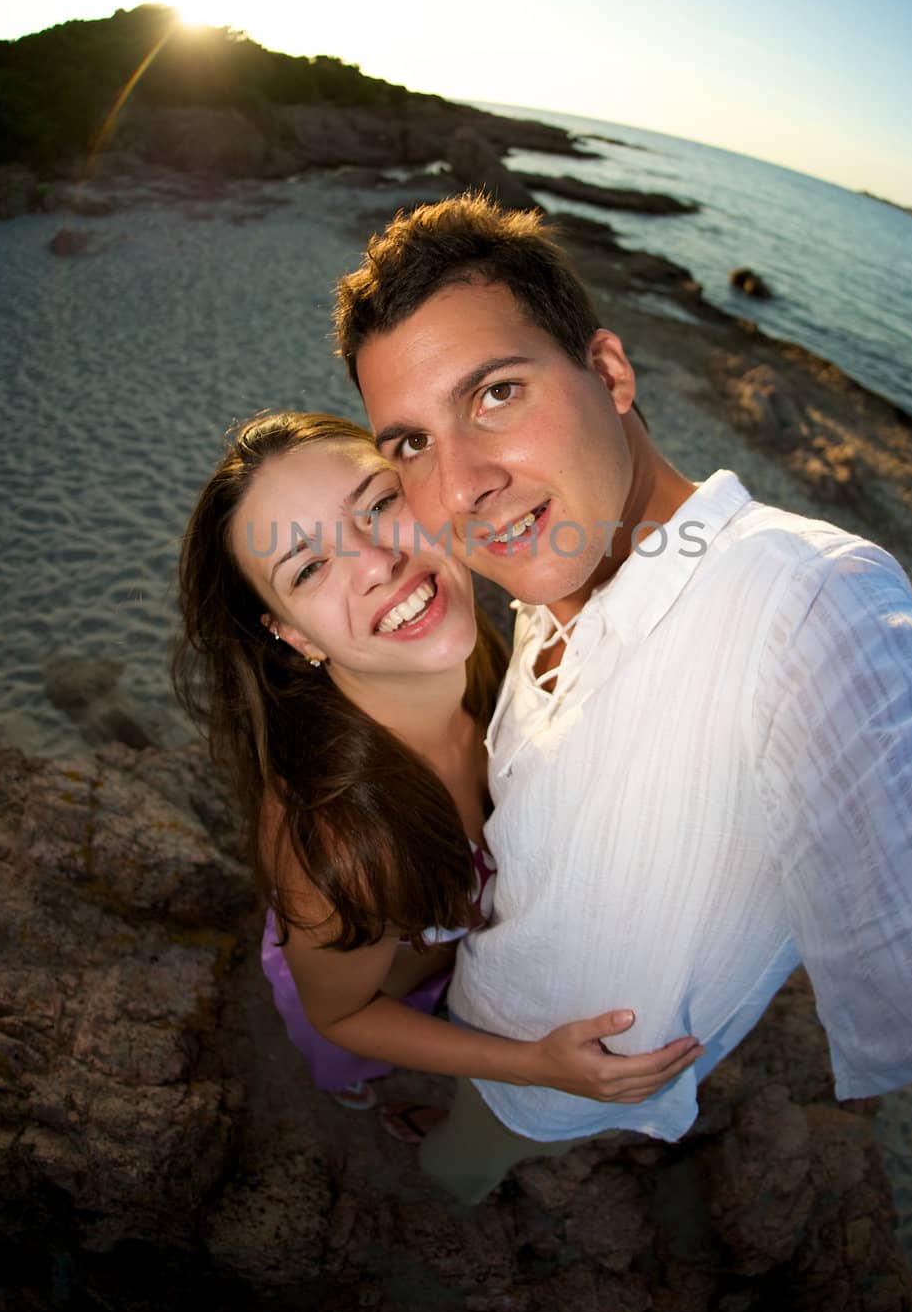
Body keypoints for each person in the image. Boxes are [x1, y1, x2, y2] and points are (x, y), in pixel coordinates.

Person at [334, 192, 912, 1203]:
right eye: (412, 443)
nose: (462, 485)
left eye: (496, 393)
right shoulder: (553, 572)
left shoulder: (805, 602)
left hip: (567, 1094)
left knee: (450, 1176)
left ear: (608, 372)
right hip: (481, 1010)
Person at [171, 409, 702, 1141]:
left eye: (380, 505)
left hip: (453, 973)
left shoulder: (496, 661)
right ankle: (355, 1095)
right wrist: (534, 1064)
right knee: (347, 1068)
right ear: (291, 634)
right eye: (310, 567)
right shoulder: (337, 848)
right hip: (379, 996)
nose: (377, 562)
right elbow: (345, 1012)